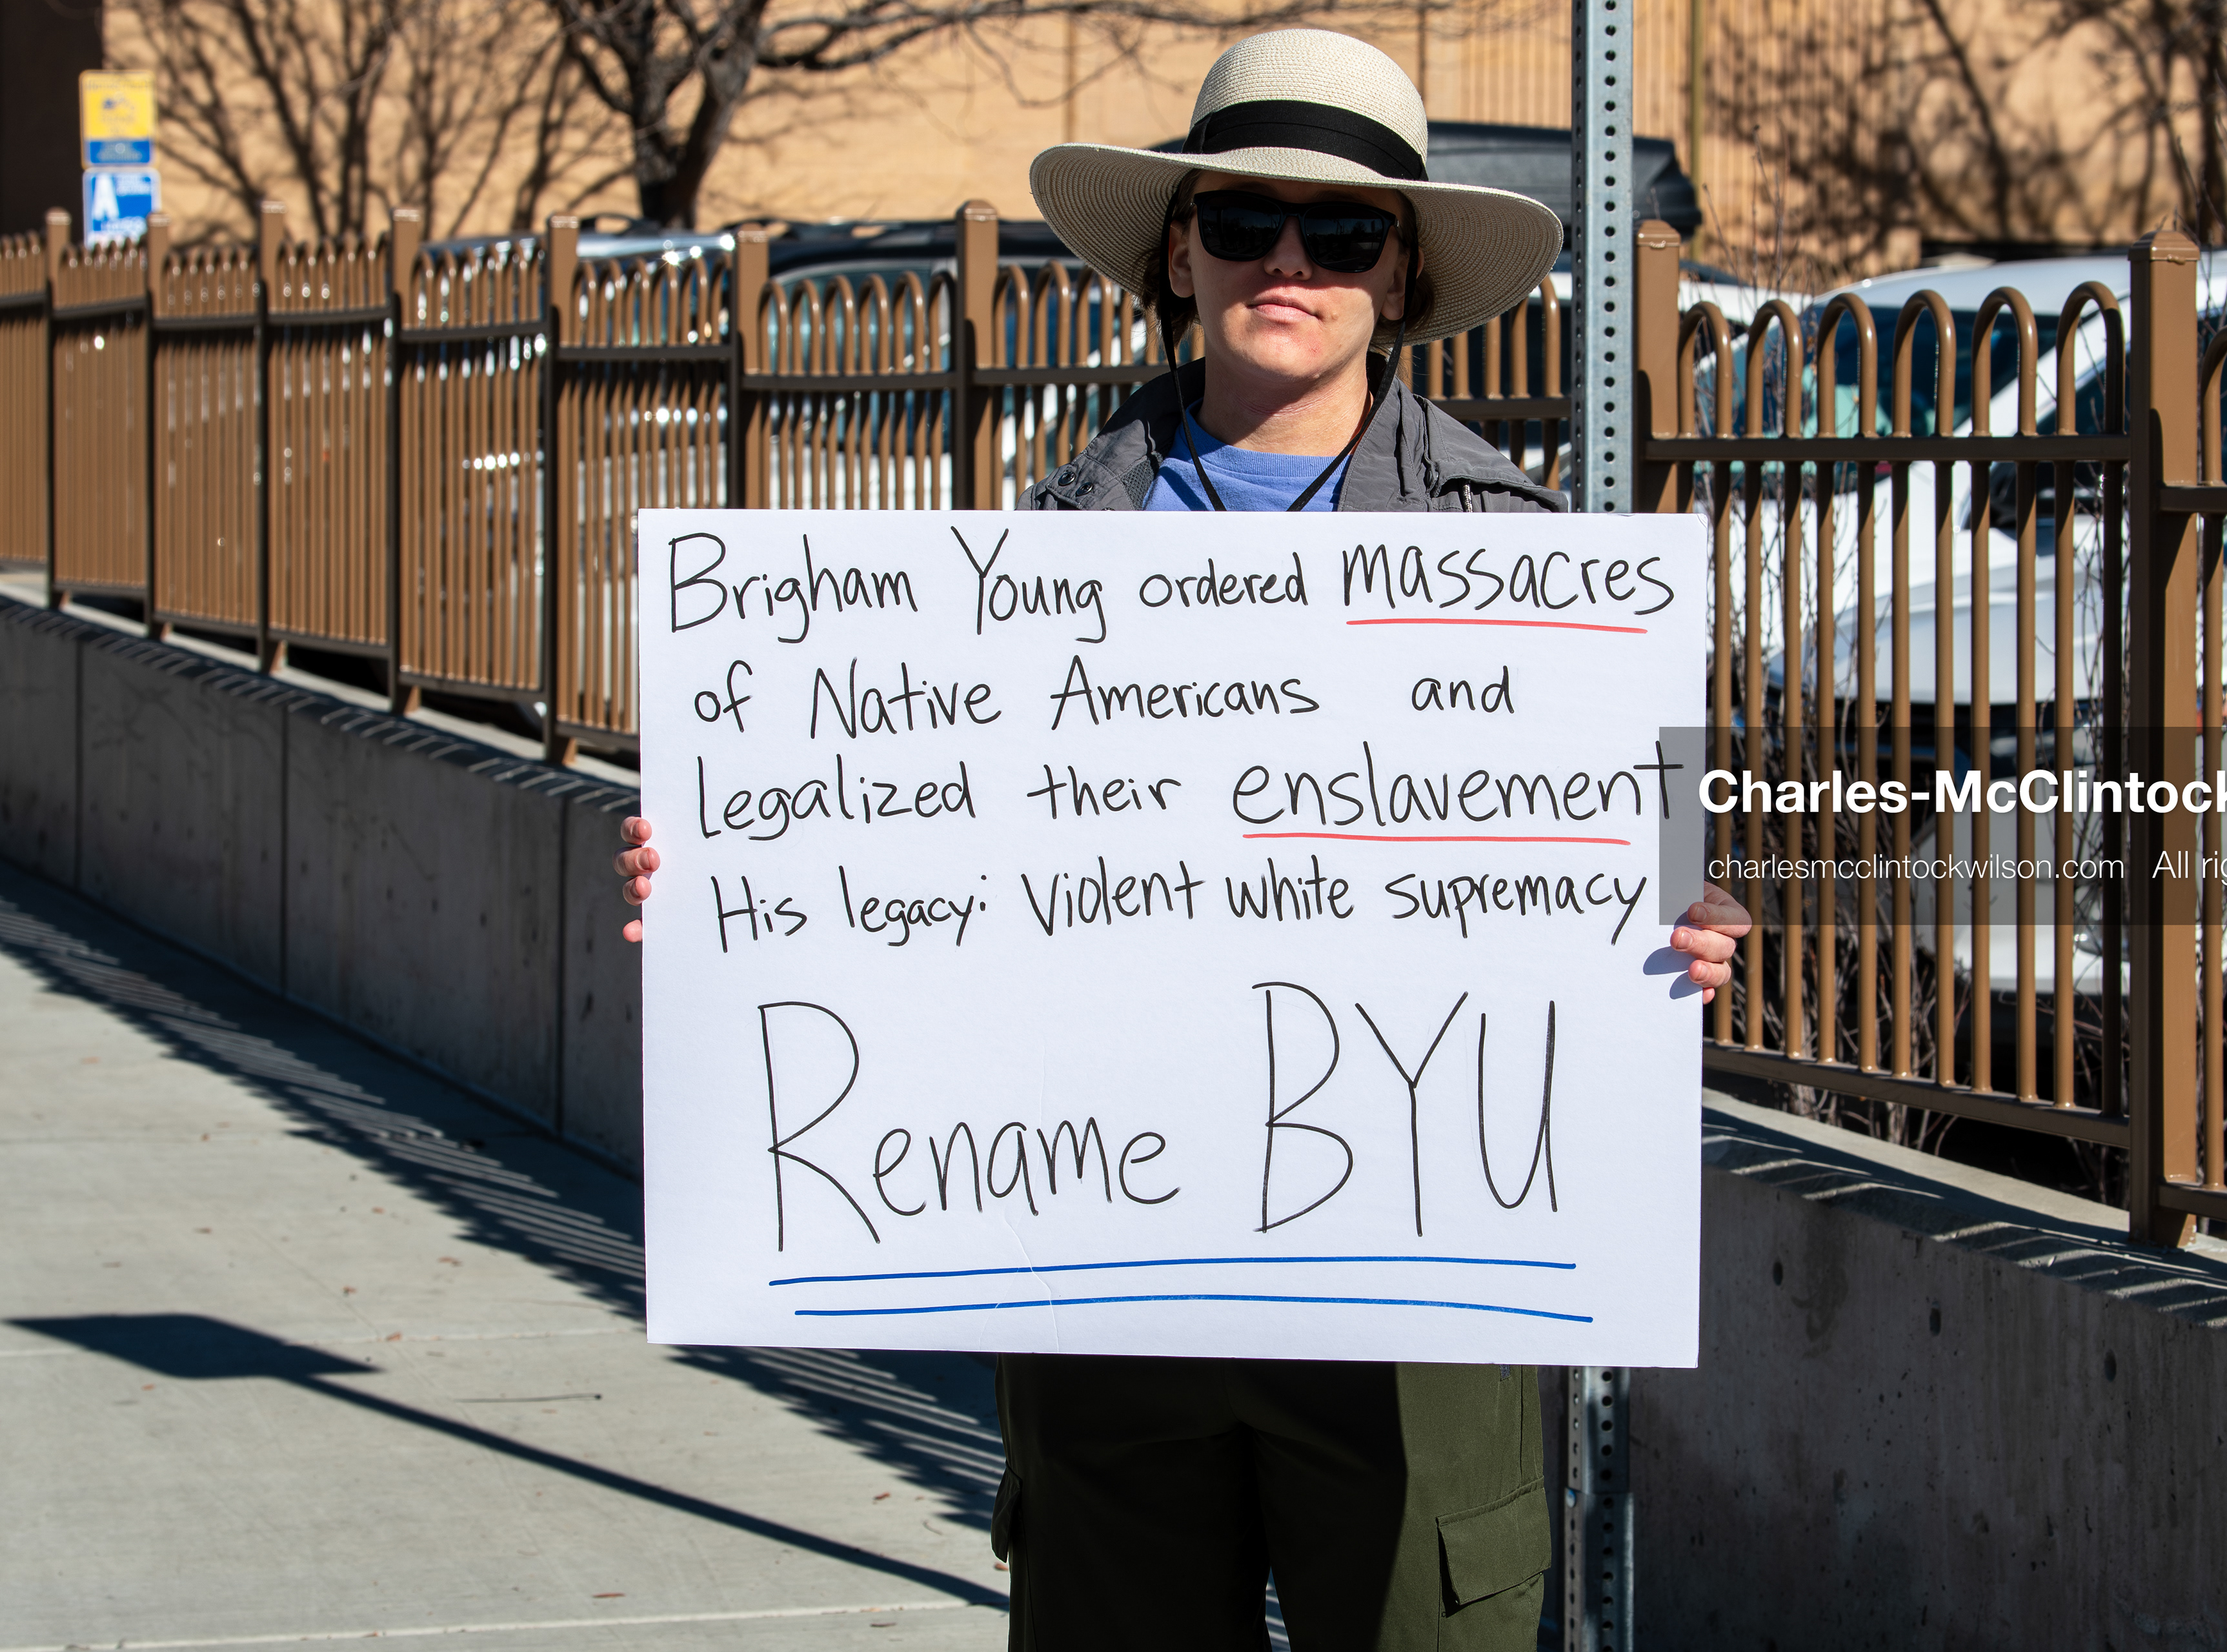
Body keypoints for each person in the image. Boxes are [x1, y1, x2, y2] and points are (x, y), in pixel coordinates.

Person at [614, 30, 1750, 1649]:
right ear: (1177, 252)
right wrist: (733, 883)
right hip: (1107, 1280)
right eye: (1244, 221)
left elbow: (1661, 876)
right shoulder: (1033, 553)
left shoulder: (1551, 572)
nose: (1289, 260)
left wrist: (1693, 929)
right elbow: (910, 870)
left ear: (1404, 272)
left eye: (1343, 230)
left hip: (1417, 1298)